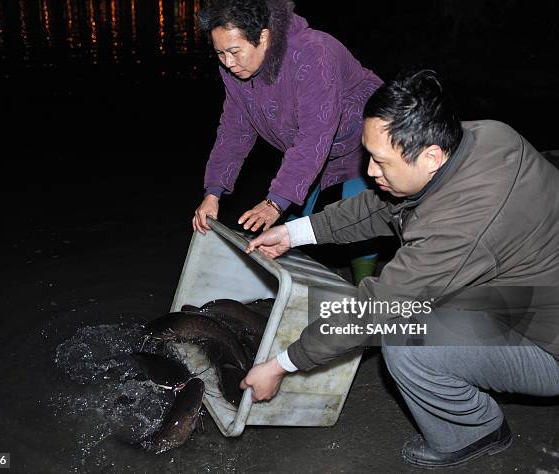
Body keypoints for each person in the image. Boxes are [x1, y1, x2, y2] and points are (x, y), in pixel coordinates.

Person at [240, 70, 559, 468]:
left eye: (380, 161)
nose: (370, 172)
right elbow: (386, 203)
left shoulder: (458, 227)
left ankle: (475, 433)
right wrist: (294, 233)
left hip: (548, 340)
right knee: (424, 291)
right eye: (369, 155)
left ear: (430, 156)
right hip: (528, 286)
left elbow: (377, 308)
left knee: (404, 338)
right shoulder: (489, 136)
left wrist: (281, 364)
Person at [191, 0, 383, 261]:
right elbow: (234, 130)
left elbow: (313, 135)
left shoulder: (312, 54)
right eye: (220, 53)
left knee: (360, 221)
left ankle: (365, 292)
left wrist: (275, 202)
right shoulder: (235, 68)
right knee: (291, 225)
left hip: (365, 143)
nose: (228, 62)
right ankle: (298, 291)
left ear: (263, 36)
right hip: (311, 151)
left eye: (234, 51)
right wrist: (213, 192)